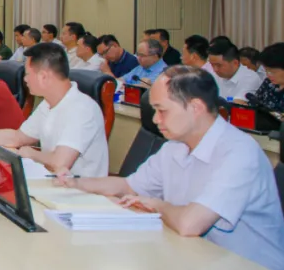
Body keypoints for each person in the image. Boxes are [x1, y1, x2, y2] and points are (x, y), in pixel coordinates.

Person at [53, 66, 284, 269]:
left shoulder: (239, 152)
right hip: (194, 256)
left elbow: (190, 224)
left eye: (162, 110)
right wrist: (75, 182)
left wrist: (156, 205)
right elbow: (128, 186)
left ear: (195, 107)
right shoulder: (176, 146)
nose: (155, 119)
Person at [0, 43, 108, 177]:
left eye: (27, 74)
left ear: (43, 76)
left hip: (81, 195)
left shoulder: (81, 108)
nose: (25, 79)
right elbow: (18, 137)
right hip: (52, 183)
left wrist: (31, 153)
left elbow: (60, 163)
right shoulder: (47, 104)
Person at [251, 43, 284, 113]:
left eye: (273, 72)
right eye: (266, 70)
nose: (268, 75)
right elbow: (254, 105)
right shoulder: (268, 83)